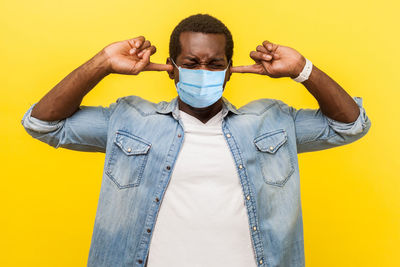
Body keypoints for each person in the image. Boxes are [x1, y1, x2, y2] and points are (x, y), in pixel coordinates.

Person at [21, 13, 371, 267]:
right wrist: (102, 63)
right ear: (172, 66)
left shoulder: (270, 123)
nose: (203, 71)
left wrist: (302, 69)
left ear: (230, 68)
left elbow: (350, 125)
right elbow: (43, 123)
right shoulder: (130, 119)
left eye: (215, 63)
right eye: (192, 62)